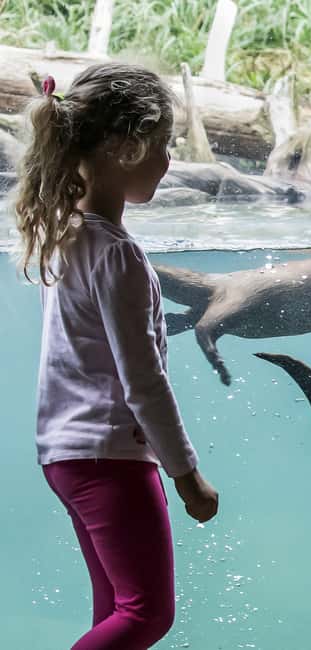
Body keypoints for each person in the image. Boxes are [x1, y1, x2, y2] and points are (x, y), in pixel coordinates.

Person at [14, 64, 219, 649]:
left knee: (115, 610)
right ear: (125, 146)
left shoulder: (68, 236)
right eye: (164, 144)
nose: (168, 161)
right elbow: (143, 381)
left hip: (66, 455)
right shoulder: (116, 253)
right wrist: (186, 475)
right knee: (146, 614)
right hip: (110, 456)